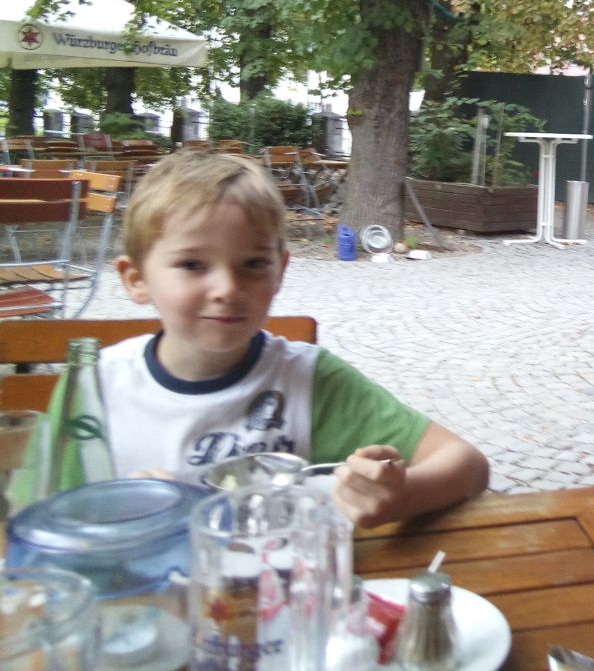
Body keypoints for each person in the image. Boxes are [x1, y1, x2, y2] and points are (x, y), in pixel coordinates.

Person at [64, 149, 489, 527]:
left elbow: (468, 465)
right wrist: (121, 513)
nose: (227, 288)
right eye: (192, 265)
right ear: (136, 279)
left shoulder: (308, 380)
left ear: (280, 270)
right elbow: (49, 523)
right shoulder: (96, 388)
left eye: (253, 263)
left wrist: (400, 496)